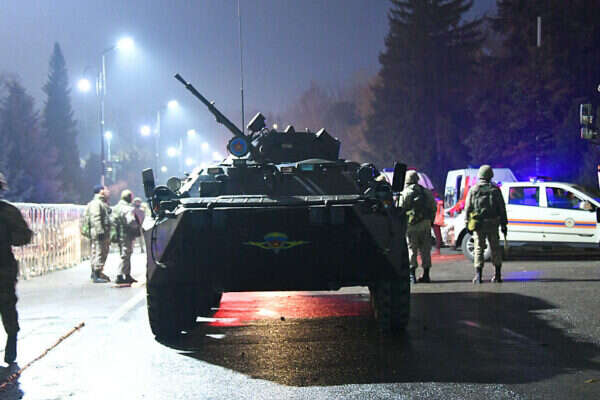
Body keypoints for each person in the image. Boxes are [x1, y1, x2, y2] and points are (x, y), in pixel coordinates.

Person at [0, 172, 33, 364]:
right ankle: (12, 339)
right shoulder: (8, 212)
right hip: (4, 266)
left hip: (3, 267)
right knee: (7, 305)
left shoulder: (7, 212)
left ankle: (12, 338)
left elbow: (23, 236)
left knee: (7, 304)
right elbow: (24, 236)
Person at [464, 165, 508, 284]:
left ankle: (478, 276)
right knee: (495, 248)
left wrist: (466, 223)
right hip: (493, 223)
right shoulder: (495, 190)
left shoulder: (474, 189)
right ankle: (497, 275)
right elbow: (502, 208)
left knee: (478, 248)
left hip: (479, 224)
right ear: (490, 175)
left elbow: (468, 208)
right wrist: (504, 224)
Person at [399, 170, 437, 283]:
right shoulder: (426, 192)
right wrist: (430, 221)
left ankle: (412, 276)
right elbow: (433, 208)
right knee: (425, 250)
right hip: (425, 224)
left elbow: (400, 209)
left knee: (412, 249)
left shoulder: (405, 193)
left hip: (411, 225)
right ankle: (426, 275)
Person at [111, 190, 139, 284]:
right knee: (126, 254)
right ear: (129, 197)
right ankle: (120, 275)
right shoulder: (128, 209)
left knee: (124, 254)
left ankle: (127, 274)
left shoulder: (116, 208)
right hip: (127, 234)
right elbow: (130, 222)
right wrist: (137, 226)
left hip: (118, 234)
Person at [85, 185, 112, 283]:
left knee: (97, 251)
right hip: (99, 232)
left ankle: (96, 272)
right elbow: (96, 217)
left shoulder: (100, 202)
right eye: (106, 189)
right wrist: (100, 231)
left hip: (97, 231)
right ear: (101, 191)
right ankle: (96, 273)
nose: (108, 191)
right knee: (100, 252)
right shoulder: (97, 203)